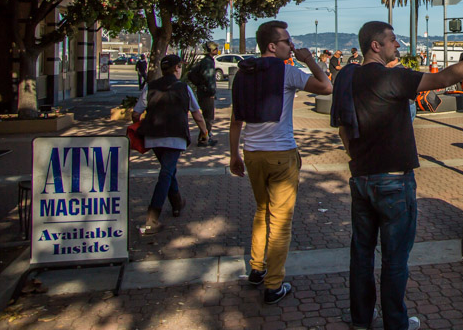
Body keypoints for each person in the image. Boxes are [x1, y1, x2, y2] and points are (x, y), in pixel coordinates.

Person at [339, 21, 463, 330]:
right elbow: (444, 78)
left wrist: (357, 159)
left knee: (361, 254)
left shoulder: (347, 78)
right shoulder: (394, 77)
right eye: (391, 41)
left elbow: (342, 128)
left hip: (360, 179)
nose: (398, 46)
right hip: (393, 180)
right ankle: (396, 322)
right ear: (375, 46)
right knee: (394, 259)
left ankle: (361, 319)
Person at [229, 21, 332, 305]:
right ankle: (274, 285)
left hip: (252, 154)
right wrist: (309, 59)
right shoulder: (288, 72)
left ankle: (257, 269)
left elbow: (236, 120)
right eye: (287, 41)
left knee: (262, 211)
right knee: (281, 222)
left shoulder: (242, 74)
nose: (292, 45)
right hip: (281, 154)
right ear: (273, 46)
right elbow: (326, 87)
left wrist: (233, 154)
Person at [131, 54, 209, 235]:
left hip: (153, 136)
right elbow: (197, 113)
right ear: (176, 68)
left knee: (168, 170)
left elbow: (136, 114)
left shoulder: (150, 87)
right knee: (166, 173)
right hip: (176, 137)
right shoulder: (184, 88)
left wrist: (138, 123)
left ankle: (177, 203)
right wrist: (204, 132)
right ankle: (153, 216)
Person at [188, 41, 219, 146]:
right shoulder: (208, 62)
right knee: (208, 118)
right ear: (211, 50)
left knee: (207, 117)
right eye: (215, 49)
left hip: (203, 92)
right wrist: (210, 91)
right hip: (207, 94)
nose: (217, 50)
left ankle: (205, 137)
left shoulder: (204, 61)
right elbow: (209, 78)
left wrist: (199, 84)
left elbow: (191, 74)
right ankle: (204, 138)